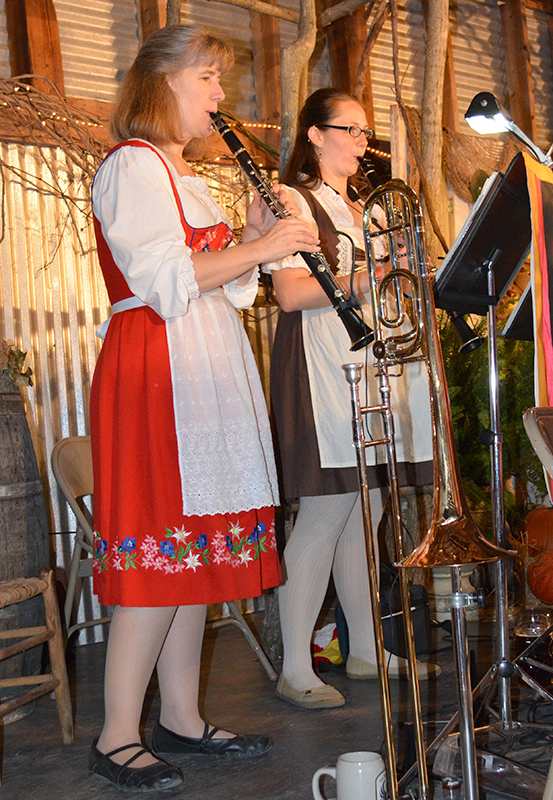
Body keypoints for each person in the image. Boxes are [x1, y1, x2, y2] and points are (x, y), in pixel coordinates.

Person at [88, 24, 320, 792]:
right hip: (156, 368)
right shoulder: (132, 165)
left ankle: (180, 718)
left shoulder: (184, 175)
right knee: (163, 550)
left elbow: (212, 277)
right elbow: (160, 276)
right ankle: (116, 733)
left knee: (194, 556)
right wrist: (259, 248)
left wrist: (253, 235)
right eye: (209, 79)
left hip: (201, 368)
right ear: (163, 83)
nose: (222, 96)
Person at [263, 88, 440, 710]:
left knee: (370, 509)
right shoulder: (291, 199)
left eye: (367, 132)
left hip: (372, 365)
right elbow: (288, 292)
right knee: (326, 510)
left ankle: (365, 648)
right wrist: (369, 278)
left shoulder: (361, 205)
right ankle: (295, 667)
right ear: (314, 134)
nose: (364, 141)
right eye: (352, 128)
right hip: (321, 364)